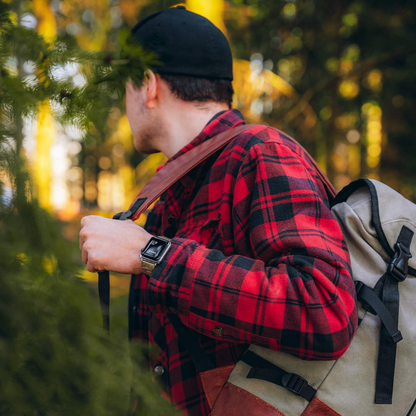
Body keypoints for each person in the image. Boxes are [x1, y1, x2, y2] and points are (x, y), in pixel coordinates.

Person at [79, 6, 358, 415]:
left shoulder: (261, 152)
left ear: (149, 85)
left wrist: (154, 255)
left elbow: (324, 309)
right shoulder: (168, 199)